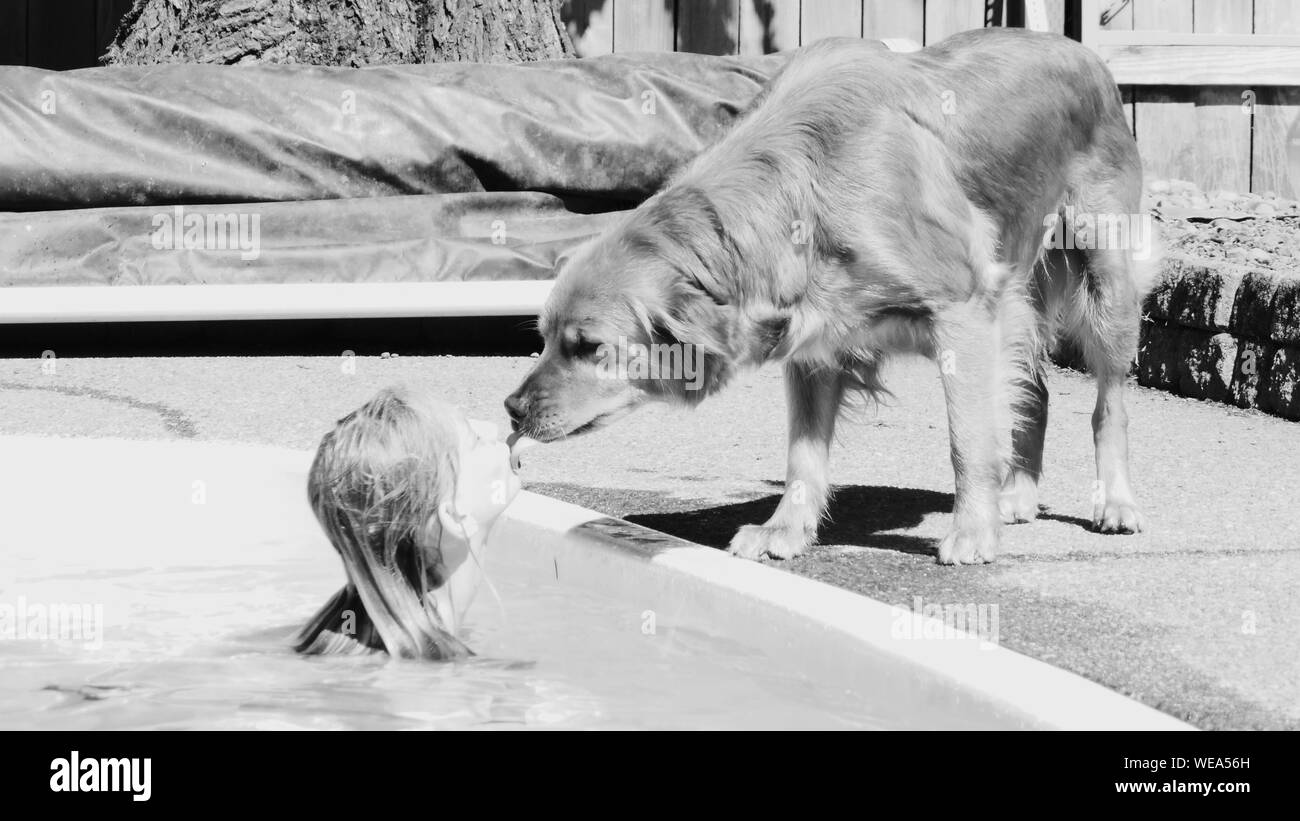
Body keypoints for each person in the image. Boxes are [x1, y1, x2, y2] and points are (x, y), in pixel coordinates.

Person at [295, 385, 521, 660]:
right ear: (455, 516)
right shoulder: (444, 682)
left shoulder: (339, 635)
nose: (492, 428)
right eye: (475, 440)